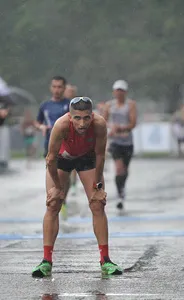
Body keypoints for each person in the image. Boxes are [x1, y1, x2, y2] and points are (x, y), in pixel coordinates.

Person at [32, 96, 123, 278]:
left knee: (98, 204)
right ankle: (46, 261)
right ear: (70, 116)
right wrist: (58, 188)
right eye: (77, 118)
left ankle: (105, 260)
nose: (82, 124)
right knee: (53, 204)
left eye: (86, 118)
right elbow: (50, 160)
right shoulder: (61, 125)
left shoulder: (99, 124)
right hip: (61, 159)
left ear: (92, 116)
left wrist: (98, 186)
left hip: (86, 158)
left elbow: (100, 156)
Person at [35, 76, 70, 219]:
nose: (57, 90)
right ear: (51, 88)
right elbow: (37, 122)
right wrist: (41, 126)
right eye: (54, 86)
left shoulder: (69, 105)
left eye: (59, 87)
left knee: (64, 177)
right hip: (49, 146)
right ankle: (53, 204)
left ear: (64, 88)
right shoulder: (44, 106)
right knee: (52, 174)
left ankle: (64, 199)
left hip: (67, 147)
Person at [103, 80, 137, 211]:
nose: (119, 93)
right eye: (117, 90)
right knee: (118, 169)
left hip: (127, 142)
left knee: (125, 170)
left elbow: (133, 123)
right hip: (115, 142)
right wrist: (111, 127)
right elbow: (103, 121)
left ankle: (122, 187)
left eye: (121, 90)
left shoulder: (131, 105)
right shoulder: (109, 105)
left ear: (125, 92)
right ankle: (120, 195)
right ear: (114, 92)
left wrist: (121, 128)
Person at [64, 84, 78, 196]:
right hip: (63, 138)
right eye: (69, 91)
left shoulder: (78, 105)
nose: (70, 93)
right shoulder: (61, 104)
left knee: (73, 164)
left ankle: (73, 185)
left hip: (75, 138)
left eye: (72, 92)